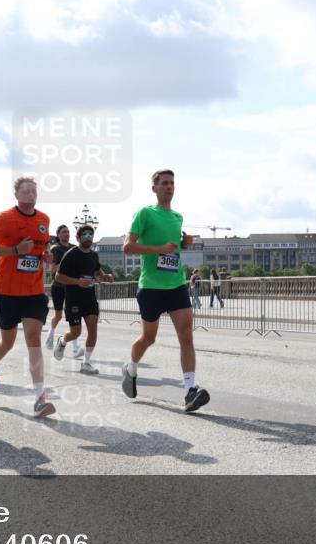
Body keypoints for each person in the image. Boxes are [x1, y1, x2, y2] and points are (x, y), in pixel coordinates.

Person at [120, 169, 210, 412]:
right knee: (149, 338)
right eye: (165, 183)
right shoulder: (145, 213)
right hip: (150, 287)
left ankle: (189, 390)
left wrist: (183, 244)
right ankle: (131, 367)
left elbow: (173, 247)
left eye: (172, 183)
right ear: (154, 188)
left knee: (186, 335)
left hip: (176, 284)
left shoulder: (178, 217)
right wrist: (160, 248)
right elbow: (127, 247)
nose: (169, 187)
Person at [0, 176, 56, 418]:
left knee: (34, 339)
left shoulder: (44, 219)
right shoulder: (5, 218)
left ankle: (40, 399)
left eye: (34, 191)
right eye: (26, 191)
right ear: (17, 195)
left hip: (33, 291)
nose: (31, 195)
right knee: (8, 342)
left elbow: (43, 247)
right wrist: (13, 251)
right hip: (6, 290)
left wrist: (47, 256)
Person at [54, 224, 113, 374]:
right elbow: (58, 276)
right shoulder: (71, 254)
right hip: (74, 299)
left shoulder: (94, 255)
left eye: (90, 235)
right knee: (76, 333)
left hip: (90, 298)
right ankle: (62, 341)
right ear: (78, 238)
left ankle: (86, 363)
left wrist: (105, 276)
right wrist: (78, 282)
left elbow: (97, 271)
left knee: (93, 328)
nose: (88, 237)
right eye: (85, 235)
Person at [44, 225, 75, 350]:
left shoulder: (74, 248)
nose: (66, 234)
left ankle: (75, 346)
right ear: (58, 235)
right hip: (58, 287)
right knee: (58, 315)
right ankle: (51, 333)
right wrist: (65, 262)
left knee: (72, 315)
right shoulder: (55, 249)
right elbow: (52, 269)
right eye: (64, 232)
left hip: (71, 287)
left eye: (68, 232)